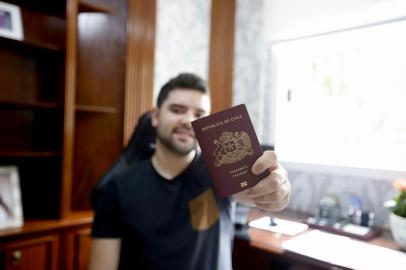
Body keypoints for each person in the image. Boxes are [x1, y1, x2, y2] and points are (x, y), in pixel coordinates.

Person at [89, 73, 291, 270]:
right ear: (156, 117)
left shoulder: (221, 171)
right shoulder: (119, 187)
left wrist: (275, 190)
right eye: (177, 110)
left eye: (199, 115)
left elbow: (253, 192)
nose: (188, 121)